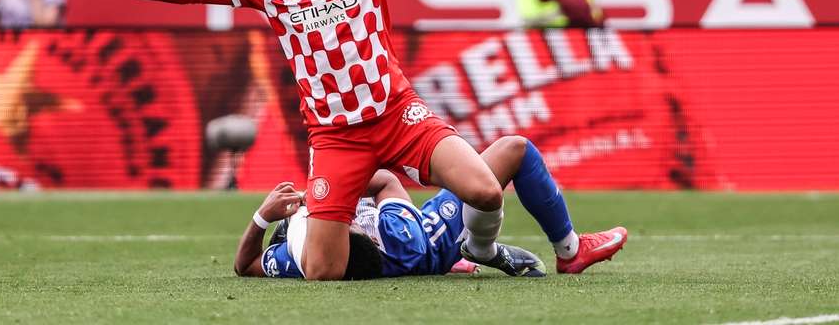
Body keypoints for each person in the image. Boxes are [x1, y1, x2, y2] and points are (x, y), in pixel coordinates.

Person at [41, 0, 541, 281]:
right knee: (324, 271)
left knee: (485, 193)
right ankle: (420, 234)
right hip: (335, 135)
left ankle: (480, 248)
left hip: (395, 114)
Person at [234, 136, 628, 279]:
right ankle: (566, 250)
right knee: (515, 151)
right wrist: (322, 195)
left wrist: (263, 216)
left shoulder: (295, 255)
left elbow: (244, 264)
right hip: (430, 239)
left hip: (410, 241)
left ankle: (474, 251)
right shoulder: (391, 234)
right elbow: (387, 181)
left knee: (509, 157)